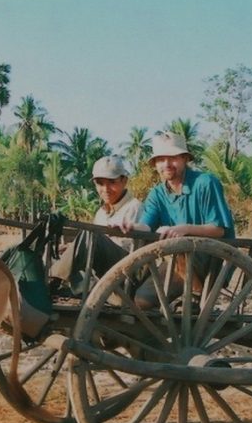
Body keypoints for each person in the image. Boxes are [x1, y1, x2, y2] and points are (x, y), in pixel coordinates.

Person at [122, 131, 236, 307]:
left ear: (185, 159)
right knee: (138, 300)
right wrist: (129, 225)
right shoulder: (157, 194)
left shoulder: (205, 183)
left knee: (175, 244)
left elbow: (218, 229)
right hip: (175, 260)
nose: (167, 164)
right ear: (155, 164)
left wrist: (184, 228)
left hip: (206, 259)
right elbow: (146, 226)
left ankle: (196, 295)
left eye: (173, 157)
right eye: (161, 159)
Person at [49, 155, 142, 294]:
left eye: (111, 182)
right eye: (100, 183)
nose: (105, 189)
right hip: (102, 270)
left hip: (126, 275)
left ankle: (52, 278)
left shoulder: (135, 207)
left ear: (124, 181)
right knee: (51, 249)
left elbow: (128, 249)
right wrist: (71, 248)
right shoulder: (101, 212)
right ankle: (55, 278)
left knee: (90, 234)